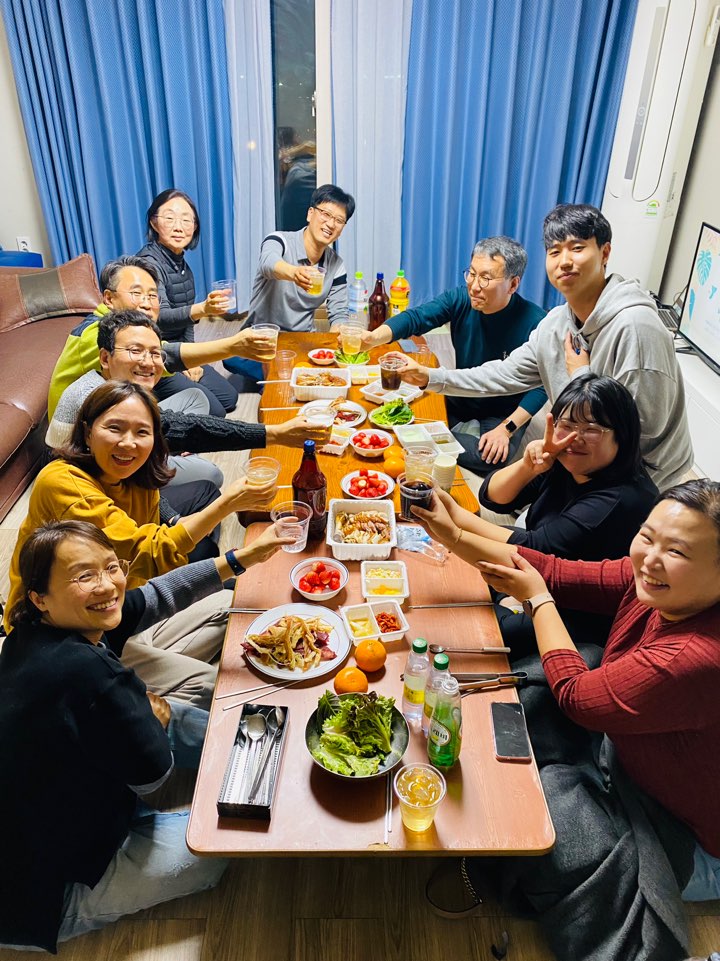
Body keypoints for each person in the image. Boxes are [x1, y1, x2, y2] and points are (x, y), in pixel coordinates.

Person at [0, 519, 286, 950]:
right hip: (42, 892)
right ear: (40, 597)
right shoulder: (90, 675)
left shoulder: (34, 630)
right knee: (216, 852)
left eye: (111, 567)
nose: (107, 585)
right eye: (84, 576)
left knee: (165, 713)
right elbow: (154, 775)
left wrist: (241, 558)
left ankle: (267, 752)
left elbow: (155, 596)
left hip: (73, 799)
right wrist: (148, 716)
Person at [471, 479, 720, 900]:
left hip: (683, 834)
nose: (650, 559)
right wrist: (448, 530)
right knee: (529, 696)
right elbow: (554, 571)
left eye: (676, 551)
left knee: (527, 828)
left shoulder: (693, 656)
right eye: (647, 536)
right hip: (622, 758)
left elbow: (576, 696)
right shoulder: (658, 581)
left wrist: (539, 602)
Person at [4, 382, 277, 704]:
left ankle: (138, 672)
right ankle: (114, 693)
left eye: (142, 432)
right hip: (73, 631)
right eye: (114, 428)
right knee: (206, 684)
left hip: (120, 610)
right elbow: (147, 554)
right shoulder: (61, 482)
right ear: (87, 432)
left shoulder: (138, 477)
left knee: (234, 602)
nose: (128, 443)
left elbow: (153, 574)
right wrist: (228, 504)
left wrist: (244, 556)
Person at [387, 204, 693, 491]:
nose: (564, 261)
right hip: (579, 451)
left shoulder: (636, 327)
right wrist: (429, 376)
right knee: (495, 495)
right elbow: (504, 374)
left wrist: (581, 377)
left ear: (605, 253)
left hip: (640, 477)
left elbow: (640, 430)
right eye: (554, 251)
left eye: (577, 248)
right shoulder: (557, 322)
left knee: (513, 504)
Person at [416, 373, 658, 653]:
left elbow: (537, 548)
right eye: (566, 425)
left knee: (472, 627)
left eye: (591, 429)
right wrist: (527, 466)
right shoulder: (569, 461)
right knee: (444, 580)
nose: (574, 438)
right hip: (535, 574)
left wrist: (456, 521)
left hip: (577, 609)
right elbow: (493, 499)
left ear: (622, 434)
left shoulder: (621, 499)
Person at [47, 309, 331, 494]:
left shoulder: (120, 385)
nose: (148, 362)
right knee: (211, 476)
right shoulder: (102, 398)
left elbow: (181, 425)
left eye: (155, 353)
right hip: (98, 481)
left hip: (117, 456)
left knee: (196, 397)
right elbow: (187, 428)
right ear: (105, 357)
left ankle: (165, 453)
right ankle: (164, 458)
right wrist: (276, 434)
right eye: (135, 351)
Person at [359, 237, 547, 473]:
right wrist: (373, 338)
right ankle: (418, 437)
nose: (474, 286)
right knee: (404, 413)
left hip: (503, 410)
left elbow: (541, 386)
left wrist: (507, 428)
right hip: (463, 391)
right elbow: (417, 317)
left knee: (489, 457)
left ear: (513, 284)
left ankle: (413, 441)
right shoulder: (461, 298)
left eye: (486, 278)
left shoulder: (537, 323)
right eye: (471, 274)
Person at [47, 255, 268, 422]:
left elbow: (165, 348)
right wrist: (234, 345)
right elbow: (165, 354)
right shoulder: (95, 333)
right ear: (109, 298)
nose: (146, 302)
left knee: (227, 397)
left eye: (152, 295)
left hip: (130, 384)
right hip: (86, 433)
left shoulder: (137, 321)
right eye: (136, 293)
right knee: (210, 410)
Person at [222, 183, 355, 387]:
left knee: (329, 375)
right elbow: (268, 264)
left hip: (301, 341)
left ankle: (282, 372)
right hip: (264, 338)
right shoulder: (280, 240)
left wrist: (340, 334)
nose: (330, 224)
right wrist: (294, 273)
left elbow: (338, 313)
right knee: (238, 358)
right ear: (310, 214)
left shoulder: (336, 265)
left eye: (338, 220)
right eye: (326, 214)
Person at [137, 189, 239, 415]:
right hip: (157, 355)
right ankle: (149, 403)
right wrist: (202, 309)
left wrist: (191, 359)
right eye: (169, 218)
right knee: (215, 412)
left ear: (195, 227)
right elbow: (159, 317)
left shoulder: (183, 266)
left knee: (229, 398)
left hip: (179, 351)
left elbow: (187, 325)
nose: (178, 227)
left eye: (186, 220)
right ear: (154, 223)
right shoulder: (148, 264)